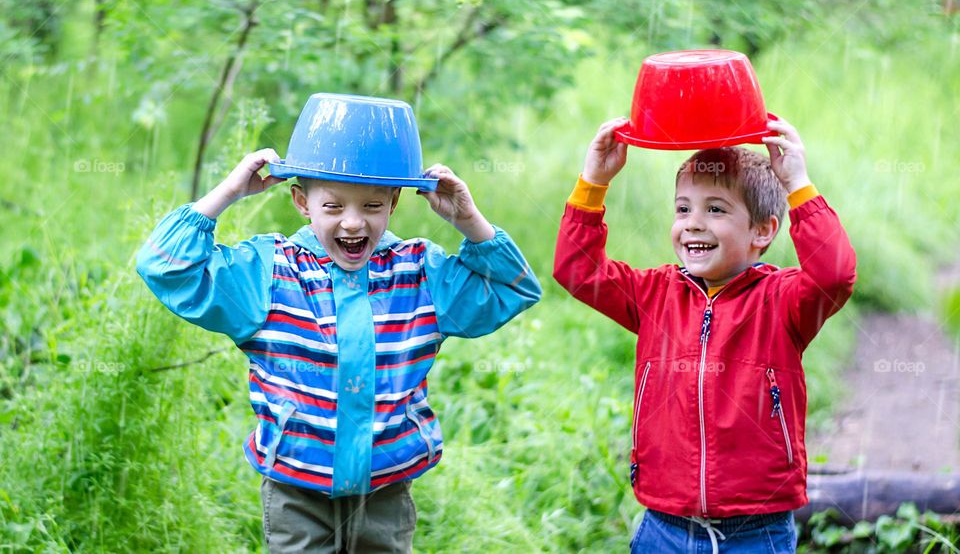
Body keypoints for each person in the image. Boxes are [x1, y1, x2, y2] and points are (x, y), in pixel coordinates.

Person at [136, 146, 541, 553]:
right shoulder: (270, 272)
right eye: (332, 206)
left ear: (393, 203)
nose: (352, 221)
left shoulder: (418, 271)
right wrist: (228, 192)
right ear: (301, 202)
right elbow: (164, 266)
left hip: (385, 493)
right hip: (298, 492)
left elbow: (513, 286)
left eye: (371, 205)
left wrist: (467, 220)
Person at [553, 117, 856, 553]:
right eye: (683, 208)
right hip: (663, 527)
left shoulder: (783, 301)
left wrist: (798, 184)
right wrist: (593, 181)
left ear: (763, 231)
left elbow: (835, 273)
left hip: (757, 532)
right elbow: (577, 269)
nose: (693, 223)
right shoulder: (654, 294)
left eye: (715, 209)